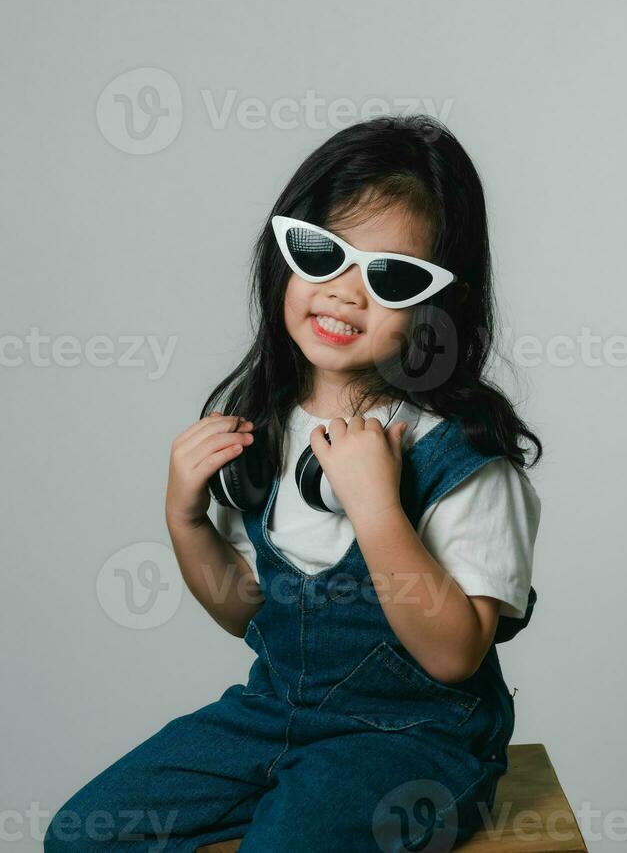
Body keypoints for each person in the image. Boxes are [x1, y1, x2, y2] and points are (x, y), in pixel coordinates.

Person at [44, 115, 543, 852]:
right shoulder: (264, 424)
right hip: (276, 713)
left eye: (392, 276)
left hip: (417, 743)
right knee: (84, 837)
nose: (345, 294)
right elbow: (247, 610)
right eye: (323, 253)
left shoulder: (463, 455)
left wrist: (378, 508)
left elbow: (454, 654)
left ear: (443, 303)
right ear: (282, 253)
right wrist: (186, 521)